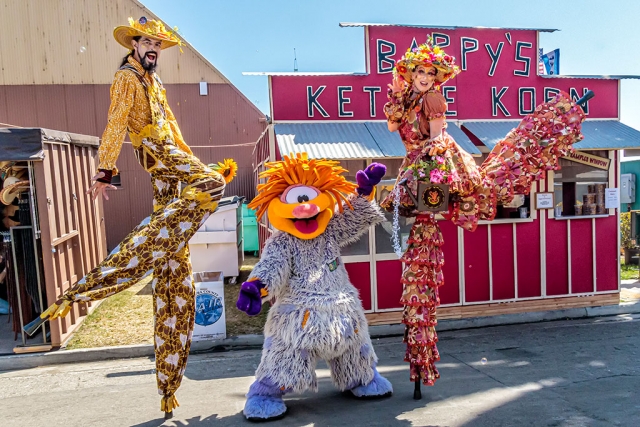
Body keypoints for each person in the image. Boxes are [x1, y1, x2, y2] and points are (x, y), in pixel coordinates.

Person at [34, 16, 236, 419]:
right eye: (148, 43)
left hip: (169, 163)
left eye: (158, 45)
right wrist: (105, 171)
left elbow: (174, 127)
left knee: (176, 282)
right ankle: (133, 256)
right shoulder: (126, 78)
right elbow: (115, 123)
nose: (153, 50)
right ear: (135, 44)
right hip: (155, 152)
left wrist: (190, 161)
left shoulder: (154, 81)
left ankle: (167, 384)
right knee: (214, 182)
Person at [381, 37, 586, 397]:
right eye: (420, 71)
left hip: (433, 170)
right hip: (417, 168)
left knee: (426, 233)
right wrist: (399, 102)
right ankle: (419, 343)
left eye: (431, 72)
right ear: (410, 73)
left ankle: (421, 343)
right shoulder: (411, 99)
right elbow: (392, 128)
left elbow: (436, 140)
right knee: (418, 238)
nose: (426, 77)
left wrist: (429, 175)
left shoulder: (431, 100)